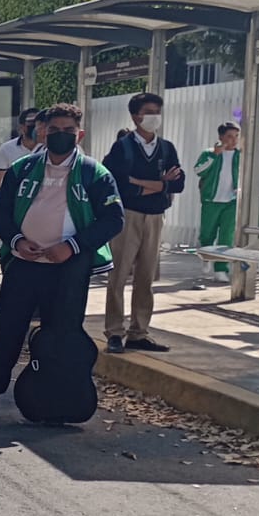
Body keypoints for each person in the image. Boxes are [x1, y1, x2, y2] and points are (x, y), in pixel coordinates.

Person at [0, 103, 124, 421]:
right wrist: (17, 241)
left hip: (69, 269)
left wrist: (73, 246)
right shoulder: (22, 169)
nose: (61, 136)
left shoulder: (94, 173)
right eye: (54, 130)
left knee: (61, 336)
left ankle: (55, 403)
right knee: (7, 331)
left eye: (68, 131)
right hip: (24, 264)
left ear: (80, 134)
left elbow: (113, 220)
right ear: (41, 132)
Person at [102, 91, 185, 354]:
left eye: (157, 112)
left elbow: (178, 183)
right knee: (118, 275)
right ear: (136, 116)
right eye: (148, 112)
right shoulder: (123, 147)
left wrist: (143, 182)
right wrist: (160, 184)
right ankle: (115, 331)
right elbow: (119, 184)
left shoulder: (167, 147)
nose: (154, 117)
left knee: (146, 276)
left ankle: (139, 331)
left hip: (155, 217)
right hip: (128, 217)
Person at [193, 122, 241, 289]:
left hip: (231, 201)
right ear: (221, 137)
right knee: (207, 234)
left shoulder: (240, 155)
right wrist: (214, 155)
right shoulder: (209, 153)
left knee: (226, 236)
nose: (233, 140)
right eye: (229, 136)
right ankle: (206, 257)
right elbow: (199, 171)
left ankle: (221, 269)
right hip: (211, 201)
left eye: (236, 136)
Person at [0, 108, 39, 200]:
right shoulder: (7, 149)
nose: (35, 127)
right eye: (31, 123)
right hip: (15, 201)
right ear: (22, 127)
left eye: (38, 124)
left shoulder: (48, 148)